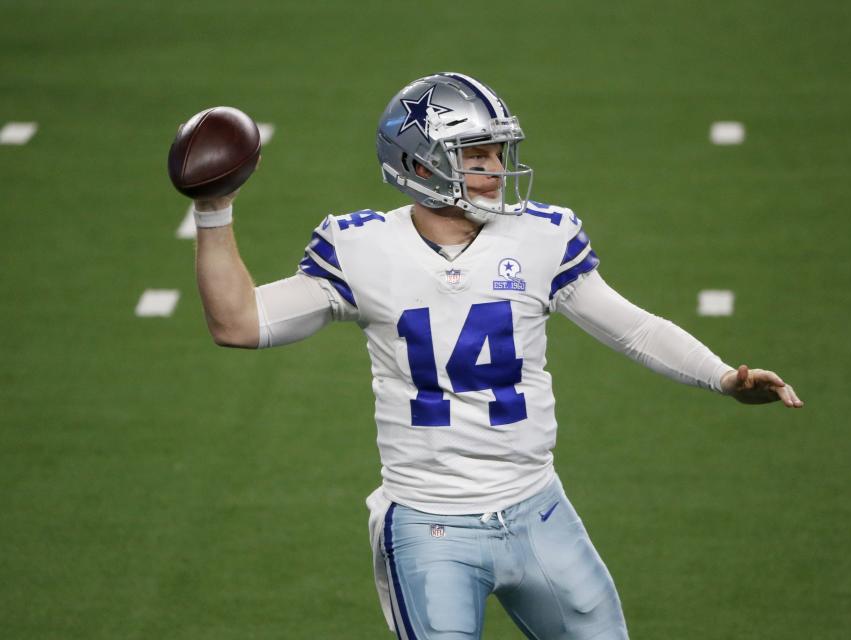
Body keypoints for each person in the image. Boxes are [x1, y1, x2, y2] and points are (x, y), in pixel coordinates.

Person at [190, 72, 803, 640]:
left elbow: (634, 329)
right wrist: (214, 209)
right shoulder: (361, 248)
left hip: (538, 508)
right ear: (421, 165)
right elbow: (239, 322)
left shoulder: (542, 236)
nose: (497, 170)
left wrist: (722, 376)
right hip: (430, 525)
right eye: (477, 155)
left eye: (498, 153)